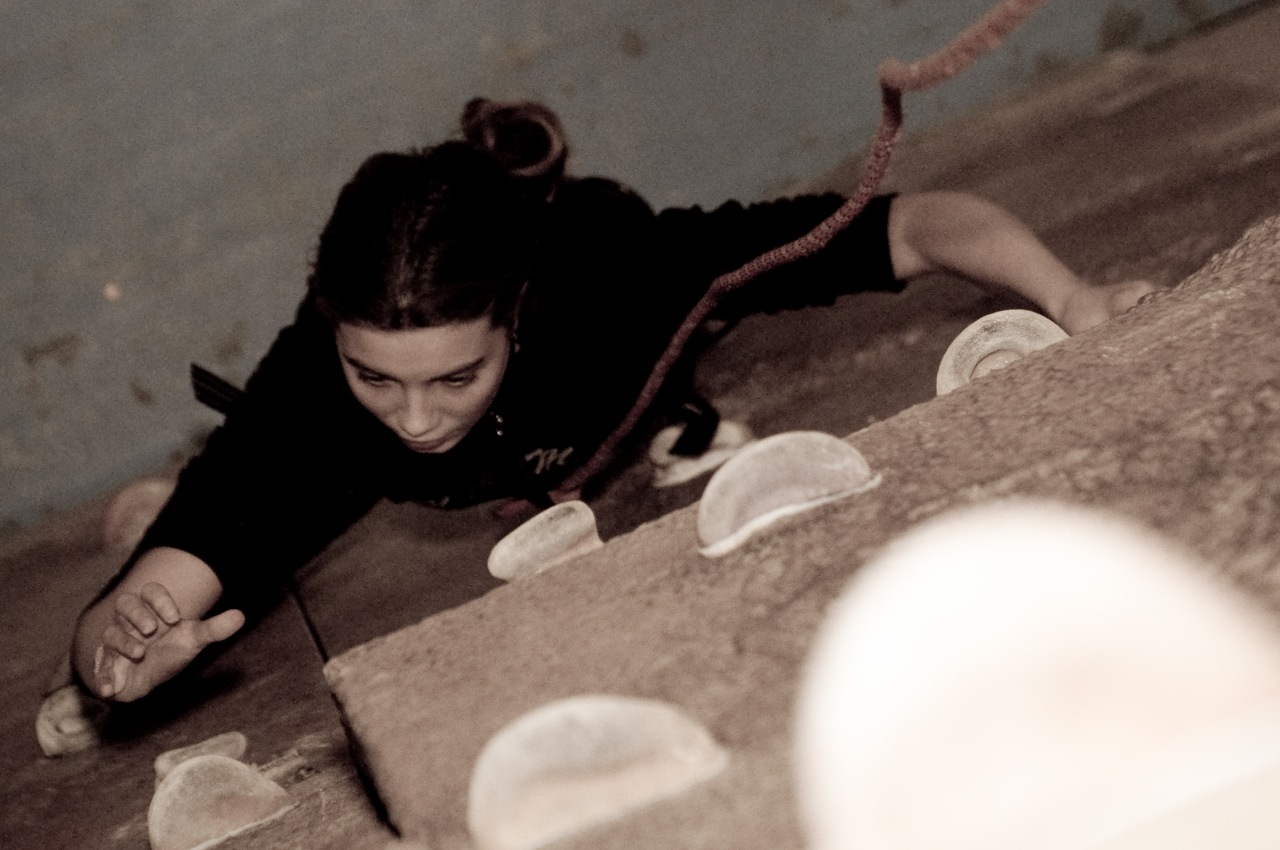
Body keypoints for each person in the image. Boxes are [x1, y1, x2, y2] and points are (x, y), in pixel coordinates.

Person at [68, 99, 1156, 707]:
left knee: (657, 381)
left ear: (516, 315)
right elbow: (144, 600)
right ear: (332, 332)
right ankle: (169, 478)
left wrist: (1070, 294)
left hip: (603, 380)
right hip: (406, 459)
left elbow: (911, 226)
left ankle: (665, 406)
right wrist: (116, 656)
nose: (414, 417)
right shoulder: (314, 403)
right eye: (376, 375)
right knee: (220, 504)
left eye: (454, 376)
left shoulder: (617, 281)